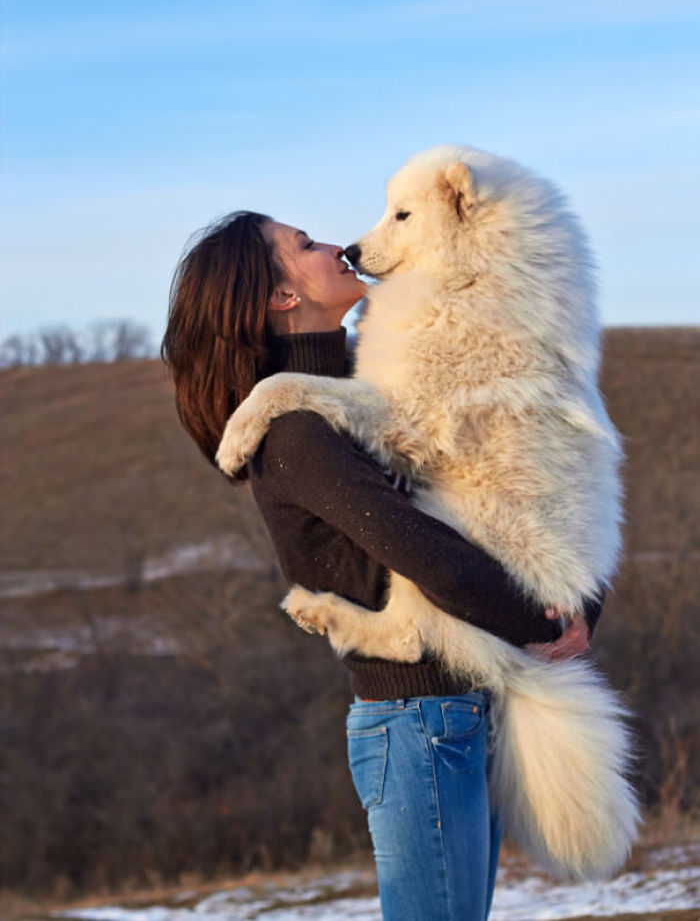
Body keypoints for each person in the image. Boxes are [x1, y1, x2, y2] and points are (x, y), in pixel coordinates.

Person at [162, 210, 602, 921]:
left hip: (461, 707)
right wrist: (548, 622)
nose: (336, 244)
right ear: (281, 297)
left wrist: (582, 600)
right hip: (415, 720)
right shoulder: (296, 432)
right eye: (304, 245)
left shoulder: (374, 387)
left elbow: (526, 481)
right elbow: (434, 558)